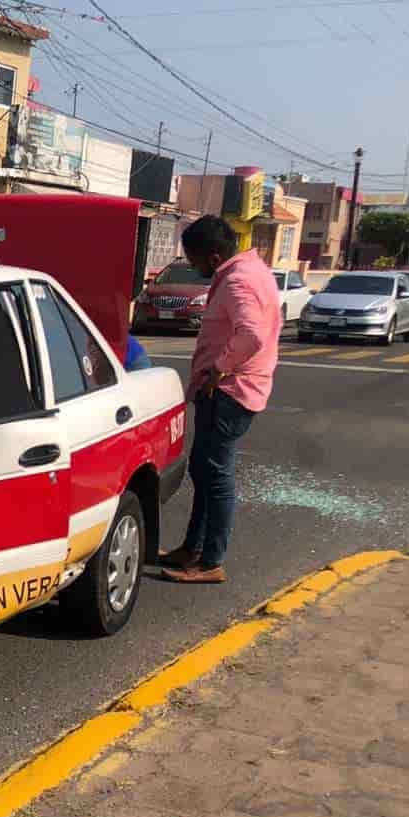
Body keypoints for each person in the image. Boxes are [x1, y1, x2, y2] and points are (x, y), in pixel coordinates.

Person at [159, 215, 280, 585]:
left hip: (230, 390)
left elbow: (253, 335)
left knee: (216, 475)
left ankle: (211, 560)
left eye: (193, 260)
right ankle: (192, 549)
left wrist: (219, 369)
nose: (192, 267)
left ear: (211, 257)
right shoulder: (252, 271)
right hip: (232, 388)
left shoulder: (239, 281)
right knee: (203, 469)